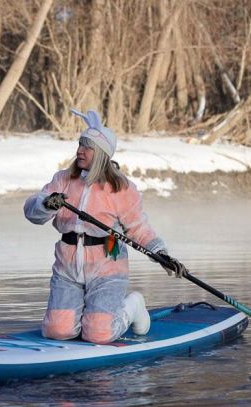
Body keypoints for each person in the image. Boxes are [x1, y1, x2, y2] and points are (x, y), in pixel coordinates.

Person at [24, 108, 186, 344]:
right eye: (80, 144)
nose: (80, 150)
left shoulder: (121, 187)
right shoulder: (63, 180)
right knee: (57, 331)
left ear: (101, 153)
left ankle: (132, 306)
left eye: (87, 147)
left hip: (107, 270)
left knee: (99, 334)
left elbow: (138, 228)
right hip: (67, 268)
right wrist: (47, 204)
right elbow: (32, 213)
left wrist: (160, 254)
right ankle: (82, 319)